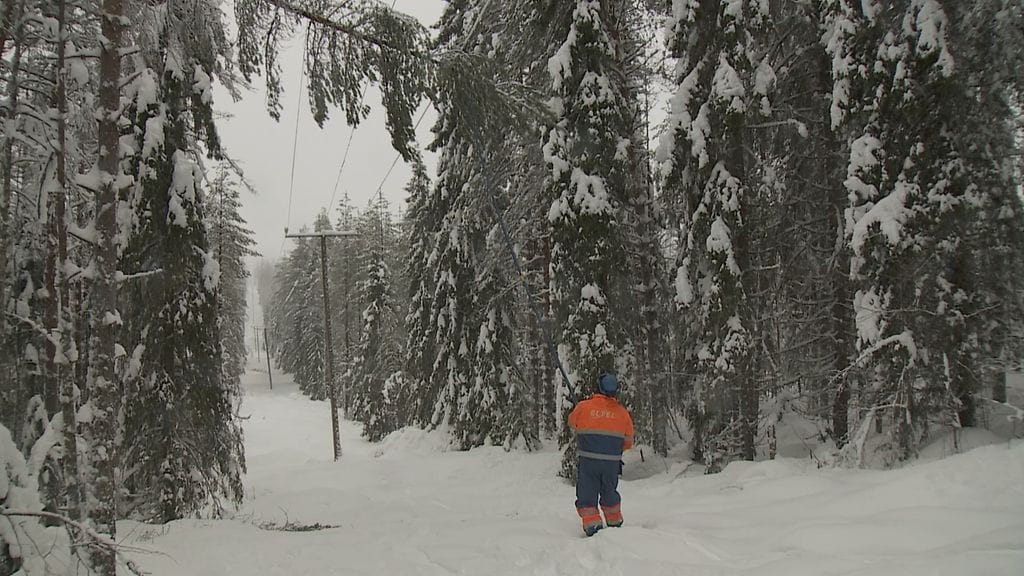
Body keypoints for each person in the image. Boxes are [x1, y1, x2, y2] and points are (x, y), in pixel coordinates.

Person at [568, 372, 635, 536]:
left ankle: (592, 526)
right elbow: (628, 442)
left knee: (587, 493)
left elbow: (572, 423)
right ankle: (614, 522)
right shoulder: (623, 413)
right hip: (612, 464)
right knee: (609, 492)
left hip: (588, 462)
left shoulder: (583, 407)